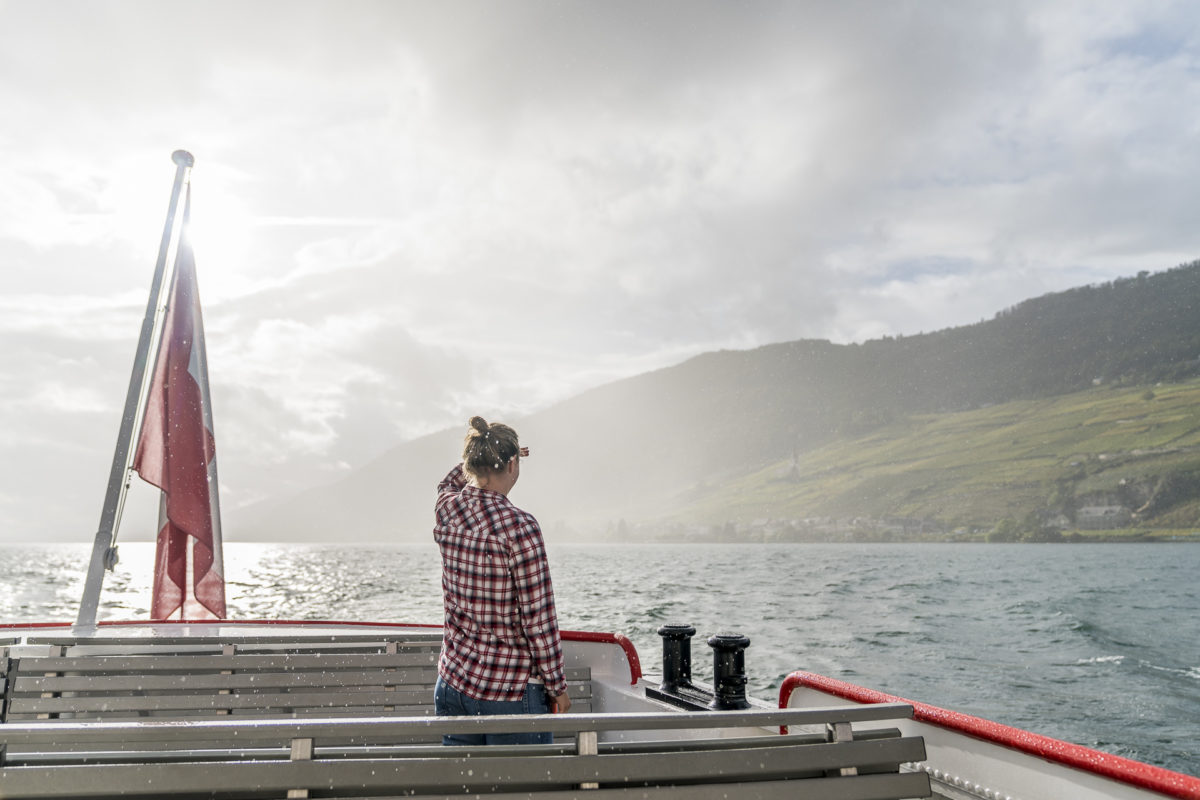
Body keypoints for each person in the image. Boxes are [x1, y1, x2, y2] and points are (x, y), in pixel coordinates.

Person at [432, 415, 571, 745]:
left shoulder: (447, 510)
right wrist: (557, 688)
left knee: (463, 791)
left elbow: (446, 484)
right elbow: (538, 622)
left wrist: (477, 456)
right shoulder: (521, 528)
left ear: (472, 463)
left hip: (453, 682)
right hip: (508, 693)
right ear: (513, 463)